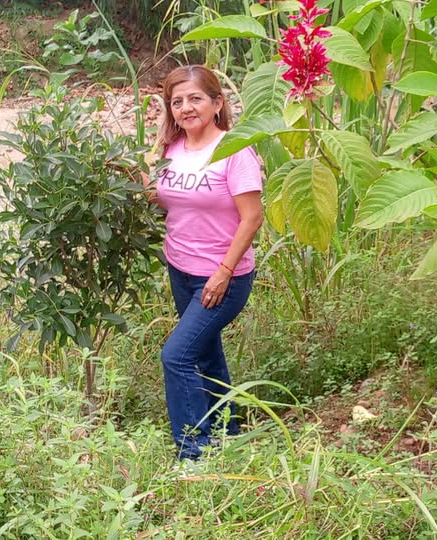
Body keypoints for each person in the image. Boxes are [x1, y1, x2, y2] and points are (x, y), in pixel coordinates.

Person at [148, 65, 263, 461]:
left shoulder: (235, 150)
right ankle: (228, 432)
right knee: (205, 352)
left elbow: (252, 218)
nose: (186, 108)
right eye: (177, 101)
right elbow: (166, 200)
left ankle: (193, 454)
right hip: (180, 268)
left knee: (177, 356)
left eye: (195, 98)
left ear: (217, 103)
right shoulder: (171, 149)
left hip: (222, 278)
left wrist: (223, 272)